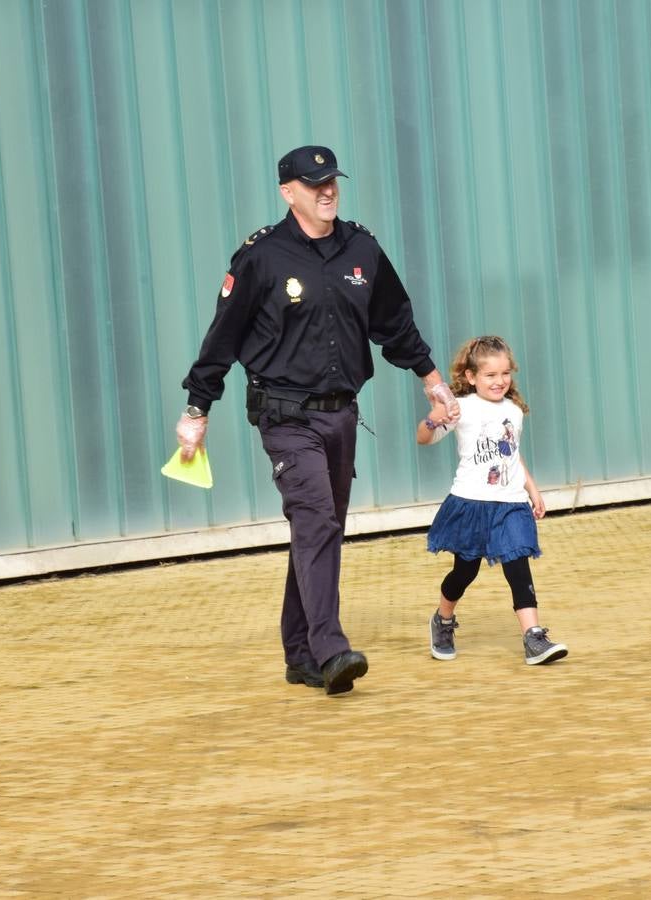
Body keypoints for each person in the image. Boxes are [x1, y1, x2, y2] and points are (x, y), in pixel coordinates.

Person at [176, 145, 460, 696]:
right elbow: (224, 336)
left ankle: (301, 653)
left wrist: (432, 381)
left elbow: (395, 323)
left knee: (318, 529)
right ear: (288, 192)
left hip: (341, 415)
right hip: (284, 415)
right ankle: (331, 649)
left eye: (332, 180)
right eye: (314, 184)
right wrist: (197, 407)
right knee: (317, 523)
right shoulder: (262, 256)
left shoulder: (362, 248)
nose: (327, 190)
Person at [416, 335, 568, 666]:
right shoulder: (461, 407)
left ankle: (533, 638)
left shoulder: (513, 410)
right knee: (464, 572)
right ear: (471, 376)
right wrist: (434, 417)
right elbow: (423, 438)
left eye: (504, 374)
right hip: (471, 503)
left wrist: (532, 488)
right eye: (490, 375)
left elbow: (513, 454)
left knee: (518, 564)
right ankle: (442, 620)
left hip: (511, 503)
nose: (499, 381)